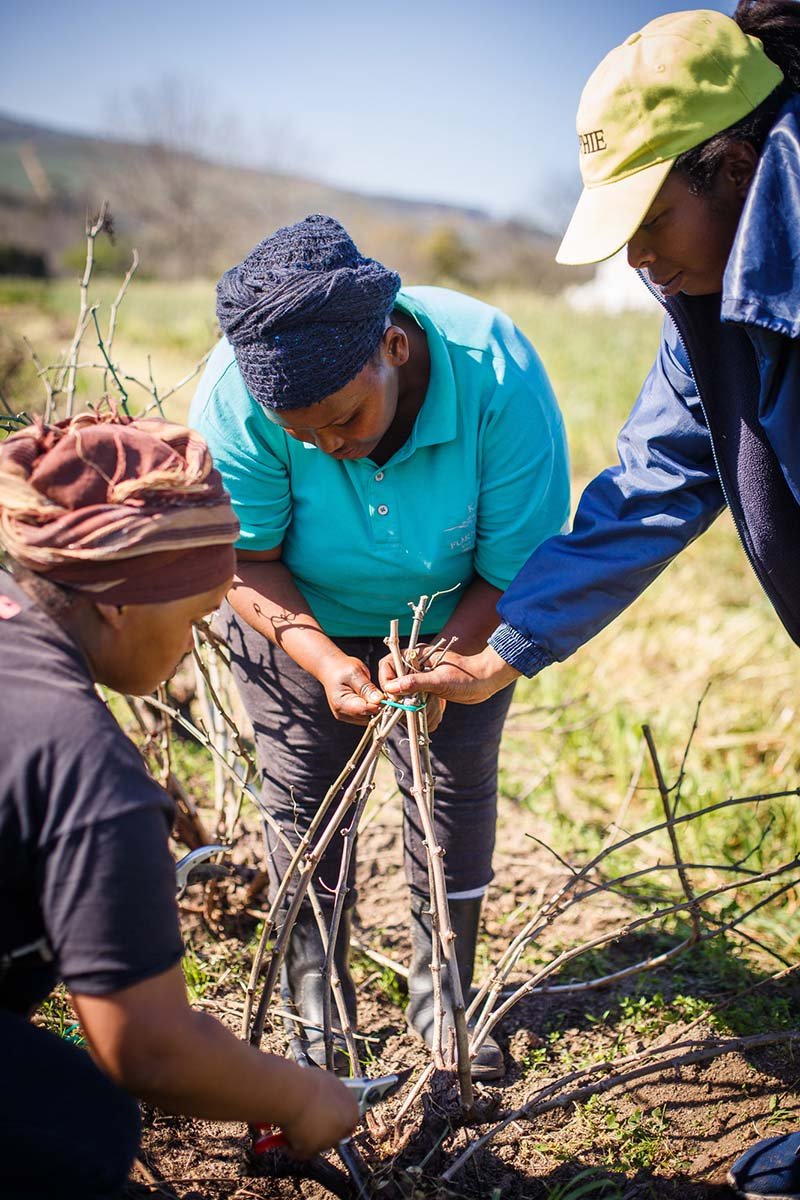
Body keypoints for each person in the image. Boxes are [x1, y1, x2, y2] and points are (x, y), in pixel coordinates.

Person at [382, 2, 800, 1194]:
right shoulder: (707, 301)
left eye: (649, 219)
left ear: (732, 166)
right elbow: (650, 484)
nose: (636, 257)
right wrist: (498, 650)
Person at [189, 213, 570, 1080]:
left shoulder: (493, 372)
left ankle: (446, 999)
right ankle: (316, 1008)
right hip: (292, 609)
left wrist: (451, 660)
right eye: (302, 435)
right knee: (302, 793)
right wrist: (325, 662)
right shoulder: (238, 399)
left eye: (343, 418)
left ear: (392, 346)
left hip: (462, 607)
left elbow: (520, 569)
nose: (331, 447)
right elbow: (239, 559)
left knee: (453, 782)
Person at [0, 411, 358, 1200]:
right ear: (119, 603)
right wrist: (300, 1094)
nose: (196, 646)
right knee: (81, 1125)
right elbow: (149, 1051)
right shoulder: (84, 764)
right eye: (195, 621)